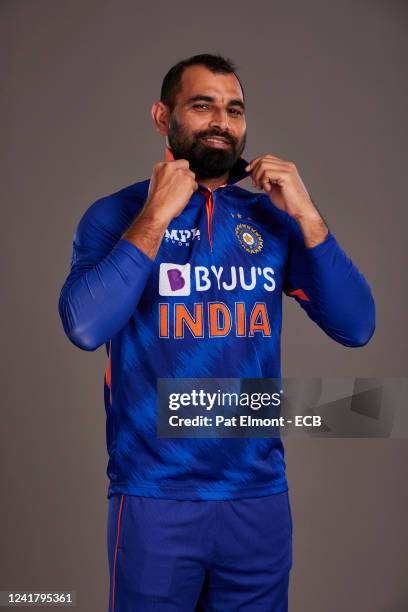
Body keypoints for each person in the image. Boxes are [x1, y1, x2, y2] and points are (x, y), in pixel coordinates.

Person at [58, 53, 375, 611]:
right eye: (202, 105)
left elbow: (357, 325)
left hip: (258, 500)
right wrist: (156, 216)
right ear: (163, 117)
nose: (221, 122)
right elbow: (86, 327)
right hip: (157, 497)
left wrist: (307, 216)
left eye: (234, 110)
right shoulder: (118, 214)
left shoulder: (270, 218)